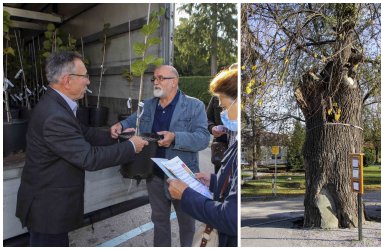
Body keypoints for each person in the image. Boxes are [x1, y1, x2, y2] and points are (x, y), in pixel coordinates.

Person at [15, 51, 148, 247]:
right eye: (85, 76)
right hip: (47, 211)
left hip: (50, 205)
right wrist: (131, 146)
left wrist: (114, 136)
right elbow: (88, 158)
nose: (88, 81)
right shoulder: (54, 115)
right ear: (67, 80)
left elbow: (82, 133)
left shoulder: (57, 104)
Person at [110, 65, 210, 247]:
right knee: (159, 223)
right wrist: (121, 125)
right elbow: (134, 120)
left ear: (174, 82)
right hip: (154, 175)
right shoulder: (148, 105)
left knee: (187, 225)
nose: (155, 82)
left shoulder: (195, 106)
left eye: (161, 78)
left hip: (183, 176)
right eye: (154, 78)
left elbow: (203, 139)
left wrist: (175, 138)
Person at [167, 66, 238, 247]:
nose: (222, 114)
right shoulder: (236, 139)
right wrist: (214, 181)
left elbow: (230, 218)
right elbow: (233, 185)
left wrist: (186, 194)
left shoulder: (194, 105)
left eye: (223, 106)